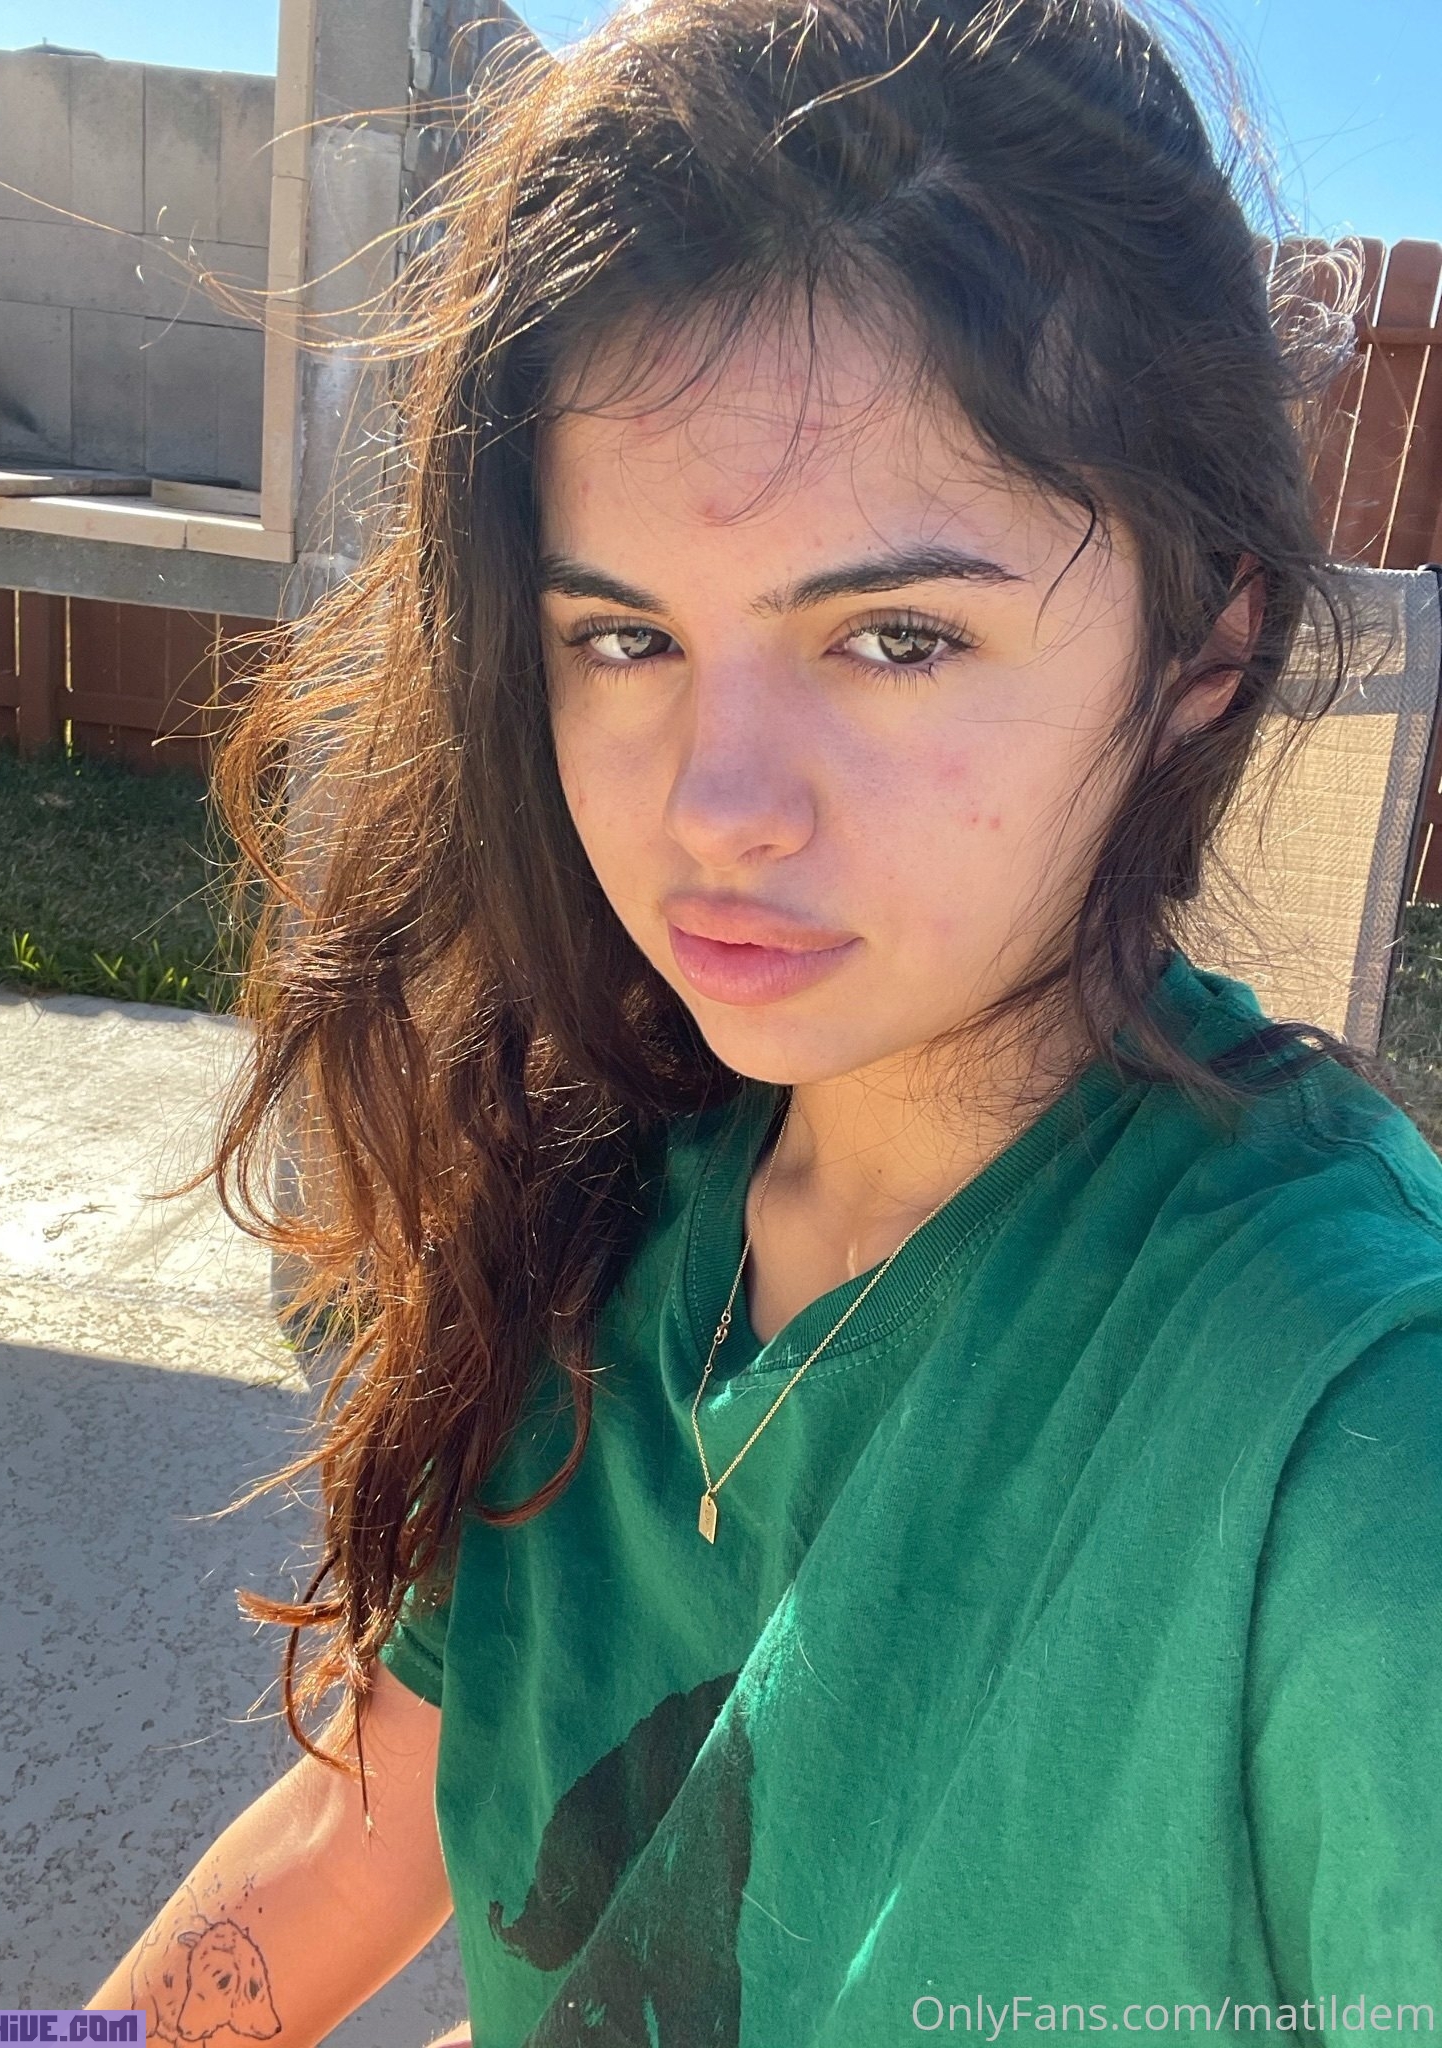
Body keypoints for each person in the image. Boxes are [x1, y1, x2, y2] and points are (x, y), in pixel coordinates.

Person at [88, 1, 1442, 2043]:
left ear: (1205, 638)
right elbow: (370, 1814)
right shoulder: (605, 1175)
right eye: (625, 635)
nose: (714, 807)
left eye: (895, 636)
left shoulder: (1352, 1450)